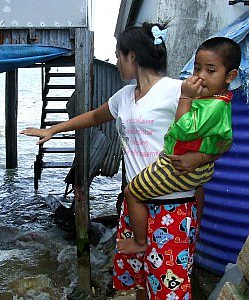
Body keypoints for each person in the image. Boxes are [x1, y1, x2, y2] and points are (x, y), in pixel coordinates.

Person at [21, 23, 219, 299]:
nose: (116, 63)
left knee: (168, 288)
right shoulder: (125, 97)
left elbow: (217, 134)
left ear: (133, 56)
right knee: (137, 280)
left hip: (172, 208)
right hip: (135, 205)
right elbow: (92, 117)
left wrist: (200, 158)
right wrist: (54, 129)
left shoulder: (177, 91)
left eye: (118, 56)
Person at [117, 37, 241, 255]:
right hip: (188, 166)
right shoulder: (214, 99)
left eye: (210, 71)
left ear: (230, 76)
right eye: (197, 68)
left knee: (131, 192)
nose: (200, 76)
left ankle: (139, 242)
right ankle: (190, 232)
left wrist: (185, 97)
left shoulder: (205, 101)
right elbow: (225, 139)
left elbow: (182, 129)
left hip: (176, 168)